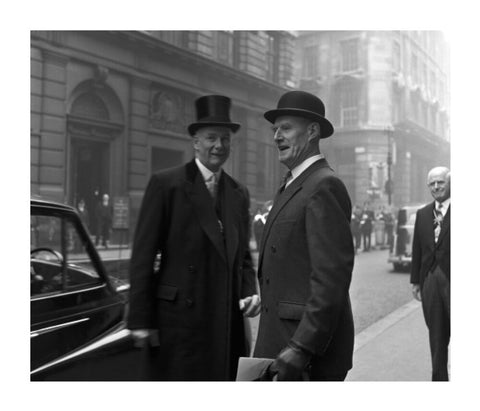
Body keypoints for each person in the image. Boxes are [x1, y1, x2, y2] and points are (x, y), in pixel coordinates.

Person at [127, 95, 261, 381]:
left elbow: (244, 258)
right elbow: (143, 255)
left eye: (225, 139)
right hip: (179, 320)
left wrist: (249, 290)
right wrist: (141, 318)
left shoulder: (238, 192)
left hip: (224, 317)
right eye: (211, 137)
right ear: (195, 142)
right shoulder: (167, 184)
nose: (219, 146)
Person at [253, 90, 355, 381]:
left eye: (286, 128)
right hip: (281, 339)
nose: (276, 137)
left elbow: (331, 279)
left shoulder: (324, 185)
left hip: (304, 352)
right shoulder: (295, 183)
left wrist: (301, 346)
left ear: (312, 131)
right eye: (275, 130)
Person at [410, 166, 450, 381]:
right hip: (430, 282)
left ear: (450, 182)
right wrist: (416, 281)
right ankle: (439, 381)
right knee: (436, 336)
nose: (436, 186)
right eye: (432, 183)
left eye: (441, 182)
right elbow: (417, 248)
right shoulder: (423, 213)